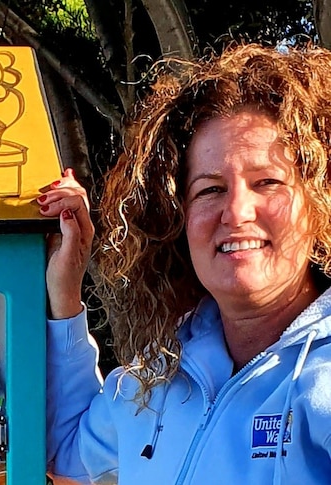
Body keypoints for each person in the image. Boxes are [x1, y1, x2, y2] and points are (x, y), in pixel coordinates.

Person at [40, 43, 331, 484]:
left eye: (267, 182)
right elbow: (67, 456)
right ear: (178, 220)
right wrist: (66, 294)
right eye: (210, 189)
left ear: (319, 203)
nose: (236, 212)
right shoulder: (158, 375)